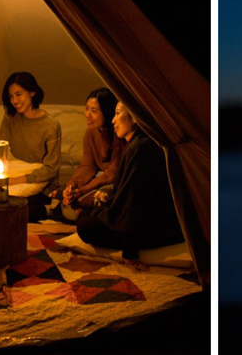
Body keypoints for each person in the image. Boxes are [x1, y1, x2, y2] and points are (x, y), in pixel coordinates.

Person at [76, 102, 184, 267]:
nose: (113, 120)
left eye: (118, 113)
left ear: (134, 117)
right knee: (87, 214)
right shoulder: (136, 144)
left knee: (85, 227)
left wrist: (129, 250)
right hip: (145, 222)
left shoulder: (141, 148)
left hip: (154, 226)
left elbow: (135, 199)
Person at [0, 72, 61, 222]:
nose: (15, 101)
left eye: (18, 94)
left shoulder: (50, 125)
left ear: (32, 92)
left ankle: (49, 210)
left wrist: (14, 180)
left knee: (10, 210)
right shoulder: (11, 117)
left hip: (42, 184)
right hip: (18, 170)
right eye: (11, 96)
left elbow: (52, 168)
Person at [49, 87, 125, 222]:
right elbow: (87, 166)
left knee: (98, 199)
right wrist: (72, 186)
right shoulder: (90, 134)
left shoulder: (120, 134)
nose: (88, 115)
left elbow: (111, 174)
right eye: (86, 109)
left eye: (94, 111)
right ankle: (66, 211)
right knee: (64, 193)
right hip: (97, 177)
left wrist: (82, 191)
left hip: (113, 181)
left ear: (107, 113)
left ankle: (76, 214)